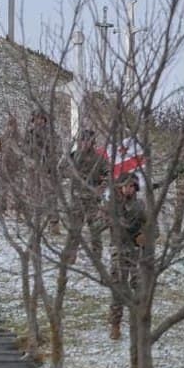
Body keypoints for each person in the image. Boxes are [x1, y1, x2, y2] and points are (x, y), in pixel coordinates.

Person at [107, 172, 149, 340]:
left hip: (135, 252)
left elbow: (153, 228)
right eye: (126, 186)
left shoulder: (140, 206)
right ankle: (115, 324)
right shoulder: (113, 205)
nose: (129, 189)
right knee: (118, 288)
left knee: (139, 287)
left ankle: (139, 322)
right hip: (118, 250)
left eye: (132, 186)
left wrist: (145, 236)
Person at [66, 129, 108, 263]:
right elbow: (60, 169)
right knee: (74, 229)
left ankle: (97, 257)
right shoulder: (73, 156)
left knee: (95, 229)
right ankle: (71, 256)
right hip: (77, 198)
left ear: (92, 142)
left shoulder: (99, 158)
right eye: (82, 140)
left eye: (88, 140)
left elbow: (109, 172)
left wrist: (102, 186)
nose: (85, 143)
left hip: (92, 199)